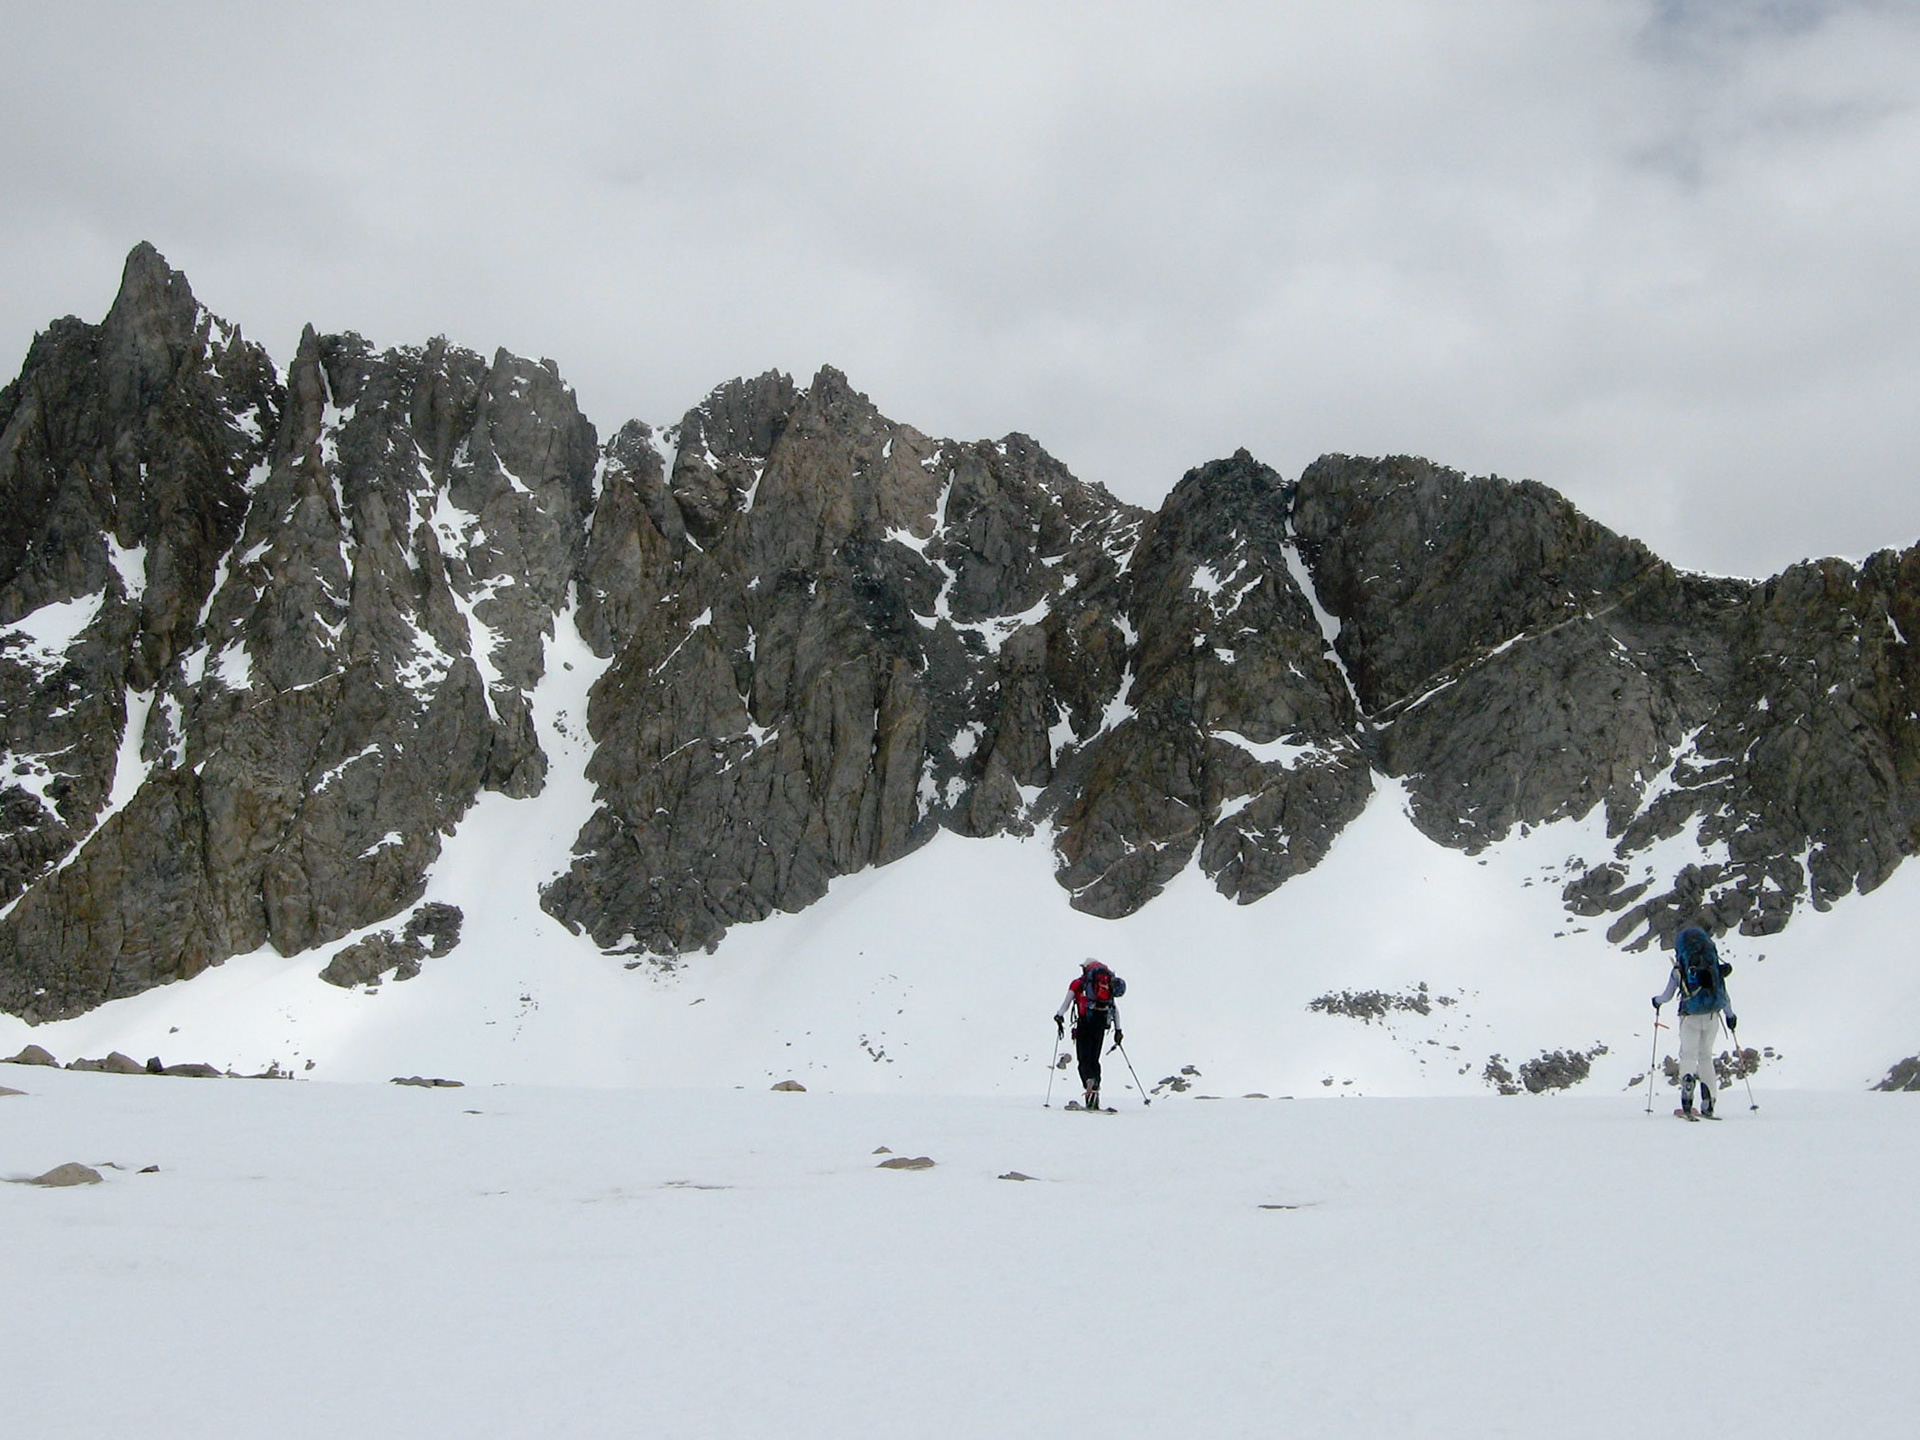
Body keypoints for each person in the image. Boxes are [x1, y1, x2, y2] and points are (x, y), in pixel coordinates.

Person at [1652, 925, 1738, 1120]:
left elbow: (1666, 996)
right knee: (1706, 1056)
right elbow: (1723, 994)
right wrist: (1730, 1016)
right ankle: (1709, 1102)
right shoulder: (1713, 965)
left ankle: (1687, 1094)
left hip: (1689, 1016)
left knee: (1688, 1055)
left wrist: (1656, 1001)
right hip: (1712, 1016)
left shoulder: (1679, 969)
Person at [1055, 958, 1124, 1110]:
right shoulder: (1106, 986)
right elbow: (1114, 1008)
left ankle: (1089, 1082)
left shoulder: (1079, 983)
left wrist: (1059, 1015)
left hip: (1085, 1023)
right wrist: (1118, 1030)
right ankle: (1095, 1090)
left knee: (1083, 1059)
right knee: (1094, 1059)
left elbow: (1066, 1003)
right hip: (1101, 1023)